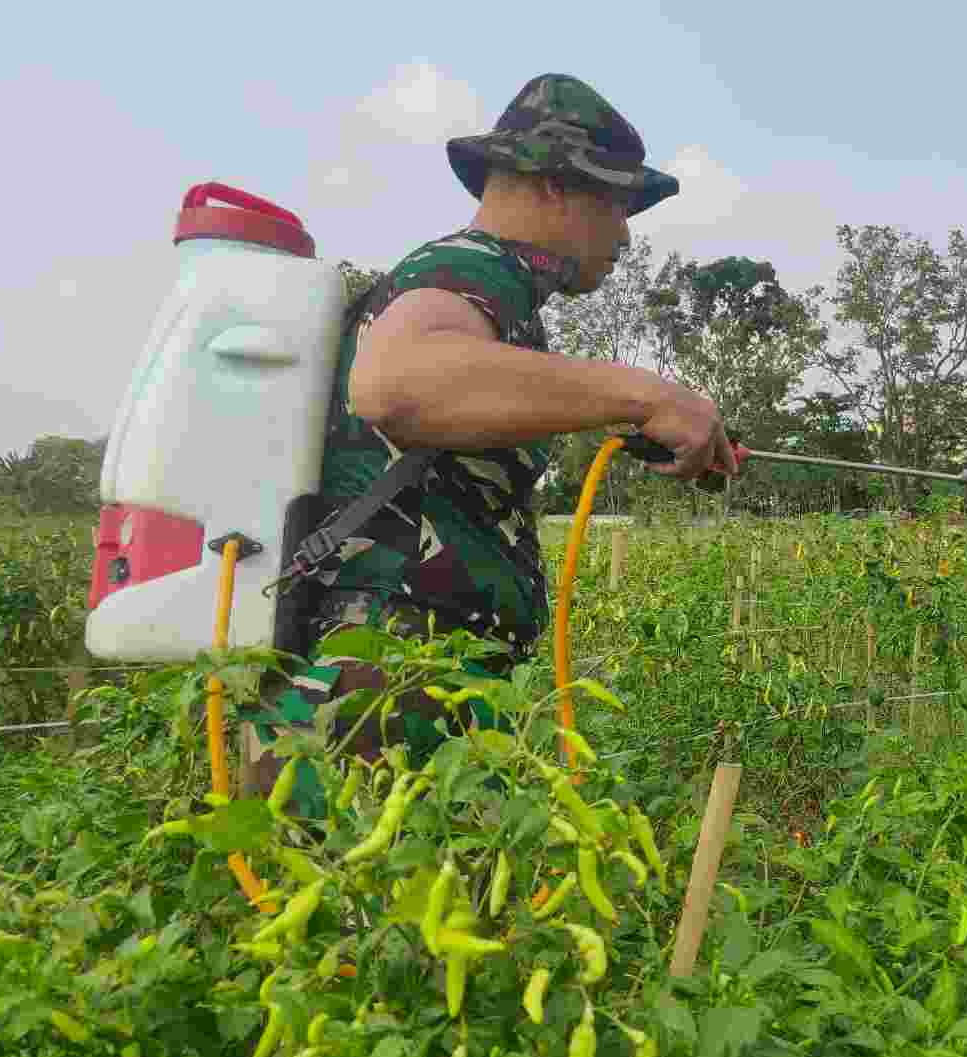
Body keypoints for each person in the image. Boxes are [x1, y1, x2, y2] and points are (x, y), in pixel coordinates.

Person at [240, 73, 738, 814]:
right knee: (384, 920)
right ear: (553, 189)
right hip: (383, 680)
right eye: (618, 205)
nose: (627, 234)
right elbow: (396, 385)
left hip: (407, 675)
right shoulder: (470, 270)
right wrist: (647, 391)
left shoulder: (495, 301)